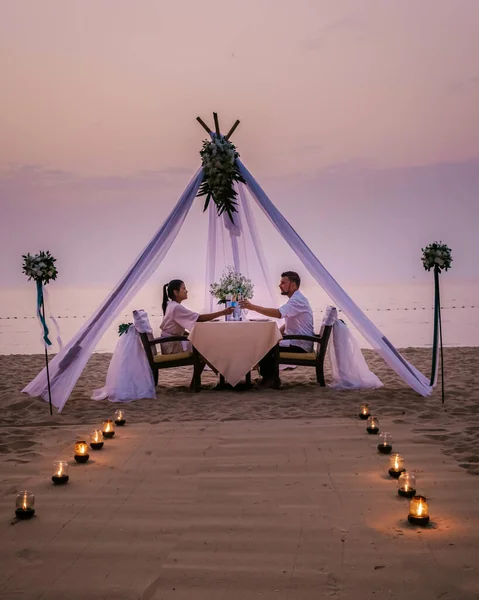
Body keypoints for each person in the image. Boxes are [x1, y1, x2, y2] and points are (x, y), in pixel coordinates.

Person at [239, 271, 314, 385]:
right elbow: (289, 322)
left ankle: (270, 380)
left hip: (299, 345)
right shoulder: (296, 299)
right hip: (299, 341)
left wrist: (253, 307)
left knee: (264, 345)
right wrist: (276, 334)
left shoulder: (297, 300)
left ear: (293, 285)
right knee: (265, 342)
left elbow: (279, 313)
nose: (280, 285)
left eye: (283, 283)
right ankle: (269, 377)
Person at [161, 279, 233, 354]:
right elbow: (198, 318)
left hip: (171, 342)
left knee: (204, 343)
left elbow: (176, 328)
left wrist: (191, 335)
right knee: (208, 346)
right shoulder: (176, 307)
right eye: (184, 288)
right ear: (176, 292)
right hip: (172, 345)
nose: (187, 291)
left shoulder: (171, 305)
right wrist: (223, 312)